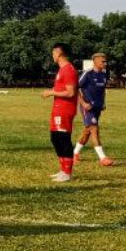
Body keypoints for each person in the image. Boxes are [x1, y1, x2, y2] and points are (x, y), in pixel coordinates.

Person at [41, 43, 78, 182]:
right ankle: (63, 169)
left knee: (63, 138)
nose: (52, 56)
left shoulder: (68, 70)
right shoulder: (62, 70)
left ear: (59, 52)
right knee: (55, 138)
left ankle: (67, 172)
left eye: (53, 53)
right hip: (58, 109)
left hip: (65, 110)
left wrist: (51, 92)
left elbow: (70, 92)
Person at [74, 53, 114, 166]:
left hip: (98, 107)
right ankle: (103, 158)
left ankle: (75, 153)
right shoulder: (87, 74)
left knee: (87, 132)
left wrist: (103, 103)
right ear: (95, 62)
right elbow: (75, 88)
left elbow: (102, 90)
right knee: (94, 130)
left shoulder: (104, 75)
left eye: (106, 61)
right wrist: (83, 103)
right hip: (88, 108)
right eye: (103, 61)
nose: (105, 63)